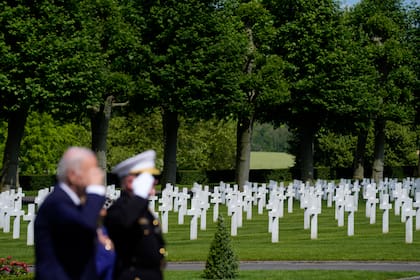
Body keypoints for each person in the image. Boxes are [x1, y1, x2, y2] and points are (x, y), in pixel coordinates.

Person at [34, 146, 106, 280]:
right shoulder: (57, 203)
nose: (99, 176)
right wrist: (96, 191)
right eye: (92, 172)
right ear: (73, 175)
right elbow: (84, 228)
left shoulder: (71, 202)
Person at [104, 150, 166, 280]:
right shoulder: (118, 209)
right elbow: (124, 222)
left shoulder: (142, 209)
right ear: (130, 182)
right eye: (148, 179)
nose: (153, 183)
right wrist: (139, 197)